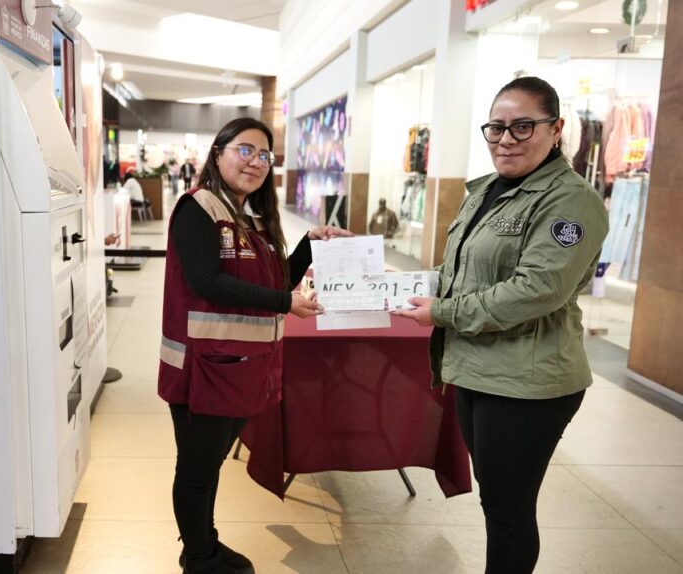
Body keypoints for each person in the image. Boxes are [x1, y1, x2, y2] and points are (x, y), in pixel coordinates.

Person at [394, 76, 609, 574]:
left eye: (522, 126)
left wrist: (442, 312)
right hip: (478, 368)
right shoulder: (488, 190)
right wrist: (391, 282)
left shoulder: (570, 201)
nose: (506, 139)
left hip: (528, 382)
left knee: (508, 509)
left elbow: (537, 289)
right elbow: (464, 270)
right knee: (497, 499)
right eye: (496, 128)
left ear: (556, 129)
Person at [159, 118, 351, 574]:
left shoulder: (253, 219)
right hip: (204, 369)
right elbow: (208, 282)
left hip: (243, 367)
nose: (255, 162)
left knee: (210, 466)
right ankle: (199, 558)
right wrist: (286, 304)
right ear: (218, 153)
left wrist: (309, 245)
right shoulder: (198, 208)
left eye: (264, 155)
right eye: (244, 150)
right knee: (197, 470)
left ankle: (203, 543)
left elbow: (276, 281)